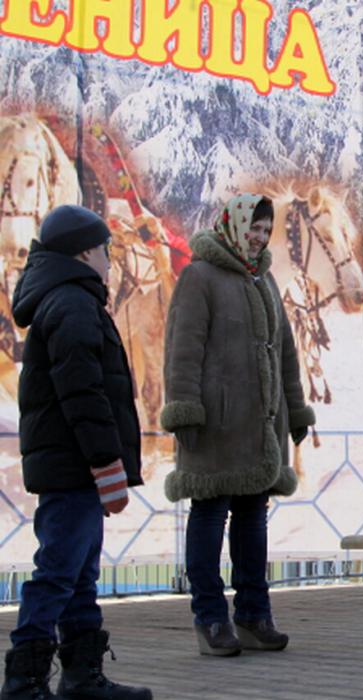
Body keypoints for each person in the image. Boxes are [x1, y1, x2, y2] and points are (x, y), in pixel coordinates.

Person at [3, 205, 151, 699]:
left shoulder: (70, 299)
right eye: (106, 250)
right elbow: (84, 395)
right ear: (85, 253)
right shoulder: (71, 303)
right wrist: (106, 464)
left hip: (72, 466)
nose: (111, 260)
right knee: (58, 573)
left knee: (78, 573)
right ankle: (24, 680)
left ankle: (82, 676)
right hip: (73, 467)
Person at [161, 194, 315, 656]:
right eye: (254, 228)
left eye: (266, 231)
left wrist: (296, 410)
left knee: (252, 518)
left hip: (260, 426)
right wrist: (184, 408)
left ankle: (253, 615)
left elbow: (285, 353)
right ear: (233, 224)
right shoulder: (199, 277)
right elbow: (182, 349)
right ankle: (210, 619)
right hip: (215, 424)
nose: (259, 238)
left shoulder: (264, 279)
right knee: (210, 515)